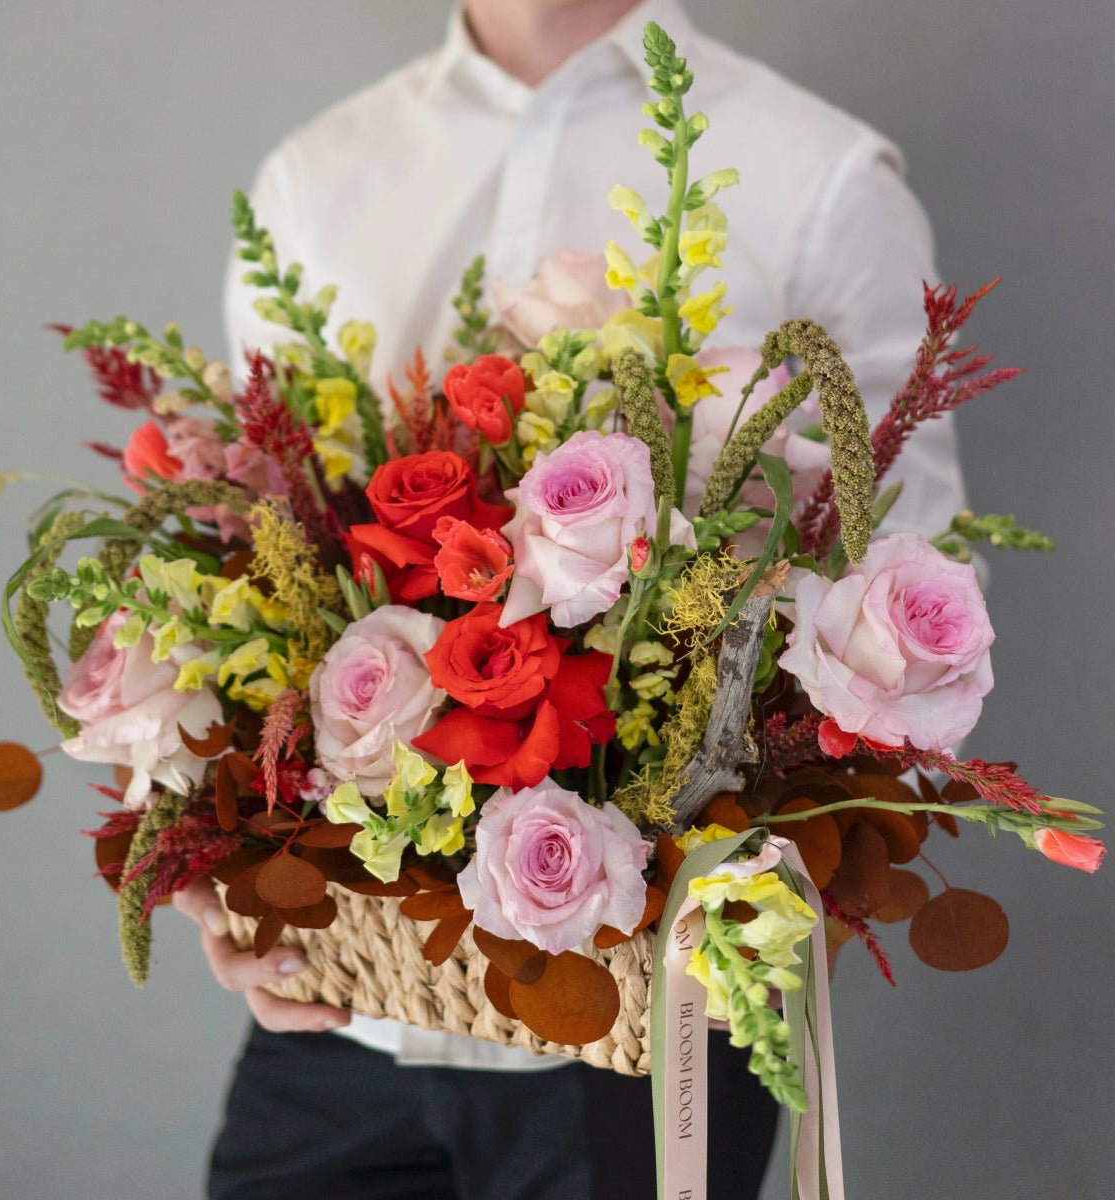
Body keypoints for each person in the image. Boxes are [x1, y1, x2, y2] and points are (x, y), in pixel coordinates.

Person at [174, 0, 969, 1196]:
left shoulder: (821, 178)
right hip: (339, 1018)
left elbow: (923, 609)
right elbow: (249, 564)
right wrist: (218, 862)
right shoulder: (313, 178)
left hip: (635, 1060)